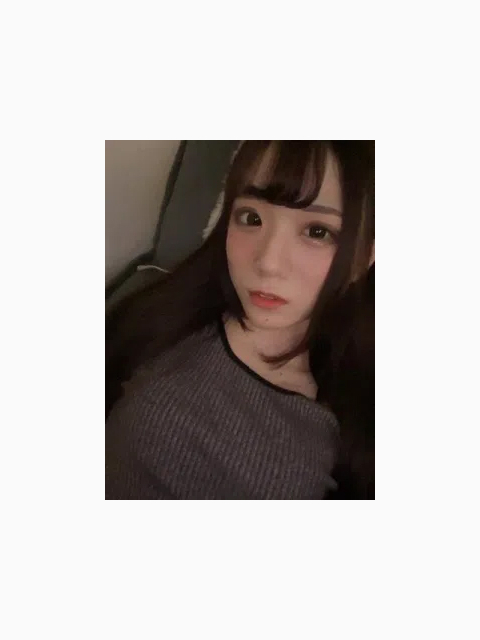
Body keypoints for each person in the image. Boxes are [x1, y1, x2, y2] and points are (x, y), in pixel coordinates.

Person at [105, 141, 375, 500]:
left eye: (317, 232)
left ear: (367, 255)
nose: (268, 263)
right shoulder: (158, 338)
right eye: (251, 218)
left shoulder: (360, 395)